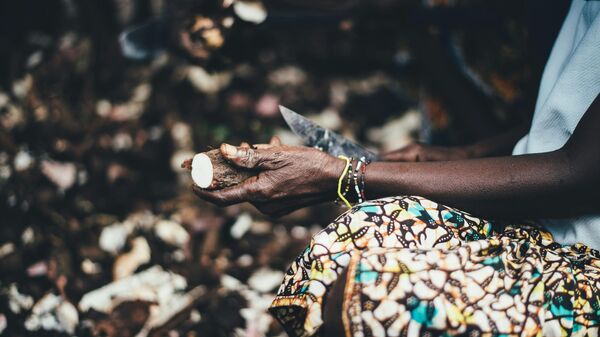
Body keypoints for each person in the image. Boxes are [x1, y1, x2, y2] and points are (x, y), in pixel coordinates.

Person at [194, 1, 600, 336]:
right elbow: (567, 119)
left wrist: (345, 176)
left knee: (370, 300)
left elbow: (578, 175)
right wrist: (467, 153)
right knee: (342, 246)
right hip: (541, 209)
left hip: (585, 254)